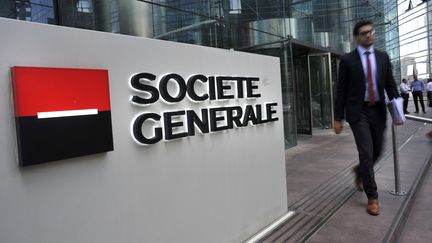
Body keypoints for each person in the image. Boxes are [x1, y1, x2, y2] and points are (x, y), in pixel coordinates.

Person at [334, 20, 400, 216]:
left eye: (371, 31)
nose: (369, 35)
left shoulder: (383, 57)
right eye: (364, 33)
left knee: (378, 150)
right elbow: (341, 91)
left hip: (378, 111)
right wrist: (338, 118)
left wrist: (397, 112)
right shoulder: (347, 60)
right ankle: (373, 197)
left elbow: (390, 85)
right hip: (358, 112)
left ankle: (359, 171)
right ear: (356, 37)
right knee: (366, 153)